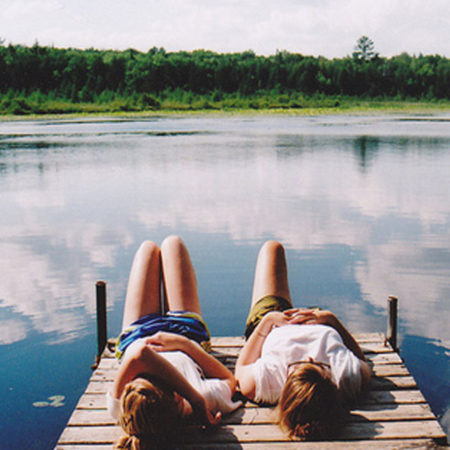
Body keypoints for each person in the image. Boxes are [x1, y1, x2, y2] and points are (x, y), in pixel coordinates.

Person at [107, 236, 241, 449]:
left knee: (147, 249)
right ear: (179, 402)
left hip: (137, 334)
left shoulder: (124, 407)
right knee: (173, 244)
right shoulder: (202, 397)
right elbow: (230, 380)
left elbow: (140, 355)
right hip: (186, 334)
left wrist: (194, 399)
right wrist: (182, 345)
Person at [235, 240, 371, 440]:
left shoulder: (268, 382)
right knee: (274, 249)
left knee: (272, 248)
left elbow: (240, 368)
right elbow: (363, 361)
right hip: (318, 321)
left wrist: (267, 322)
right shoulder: (346, 376)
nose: (309, 358)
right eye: (319, 365)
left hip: (276, 323)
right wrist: (330, 319)